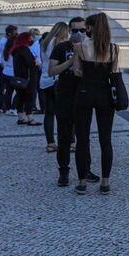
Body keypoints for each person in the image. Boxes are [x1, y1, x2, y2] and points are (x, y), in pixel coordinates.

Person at [72, 13, 120, 195]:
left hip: (84, 92)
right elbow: (115, 72)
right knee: (105, 139)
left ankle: (82, 181)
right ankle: (105, 182)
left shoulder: (80, 47)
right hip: (105, 95)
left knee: (82, 139)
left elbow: (77, 71)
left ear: (90, 28)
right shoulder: (114, 49)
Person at [49, 17, 88, 187]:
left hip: (84, 95)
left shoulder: (90, 47)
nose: (78, 33)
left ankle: (85, 169)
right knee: (64, 135)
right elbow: (51, 70)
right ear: (69, 31)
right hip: (65, 94)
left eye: (82, 30)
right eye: (74, 30)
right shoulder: (61, 48)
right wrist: (72, 60)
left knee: (83, 136)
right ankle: (63, 170)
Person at [39, 22, 68, 152]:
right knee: (64, 113)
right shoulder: (59, 43)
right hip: (57, 80)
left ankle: (50, 142)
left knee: (49, 113)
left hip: (45, 80)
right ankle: (70, 141)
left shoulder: (44, 43)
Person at [6, 32, 40, 126]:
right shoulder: (24, 50)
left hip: (19, 77)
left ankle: (20, 117)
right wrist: (36, 63)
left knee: (21, 97)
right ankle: (30, 118)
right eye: (30, 38)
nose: (32, 40)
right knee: (29, 97)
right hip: (28, 78)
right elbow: (31, 63)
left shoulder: (16, 50)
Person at [0, 25, 17, 113]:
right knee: (3, 87)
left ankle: (4, 106)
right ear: (9, 33)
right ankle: (3, 106)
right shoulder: (5, 42)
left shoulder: (4, 41)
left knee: (6, 88)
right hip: (4, 65)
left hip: (4, 65)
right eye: (15, 32)